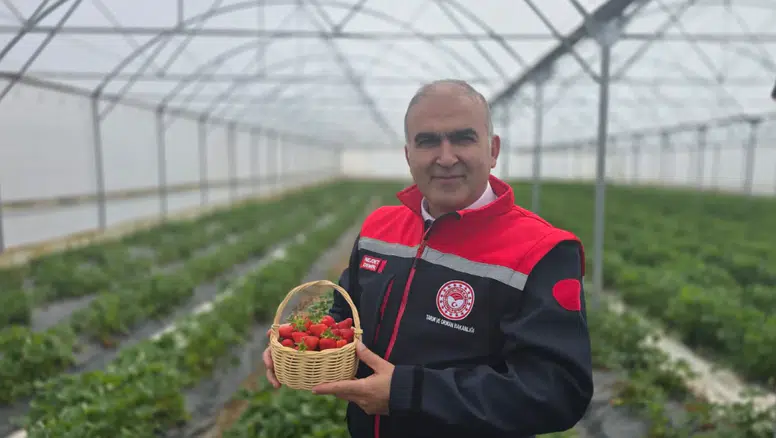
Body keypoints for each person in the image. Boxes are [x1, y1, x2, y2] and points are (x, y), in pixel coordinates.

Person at [263, 79, 593, 438]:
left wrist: (406, 393)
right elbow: (346, 315)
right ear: (408, 155)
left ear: (493, 150)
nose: (446, 157)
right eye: (428, 141)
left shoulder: (541, 251)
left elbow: (558, 391)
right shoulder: (380, 228)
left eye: (463, 138)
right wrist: (301, 347)